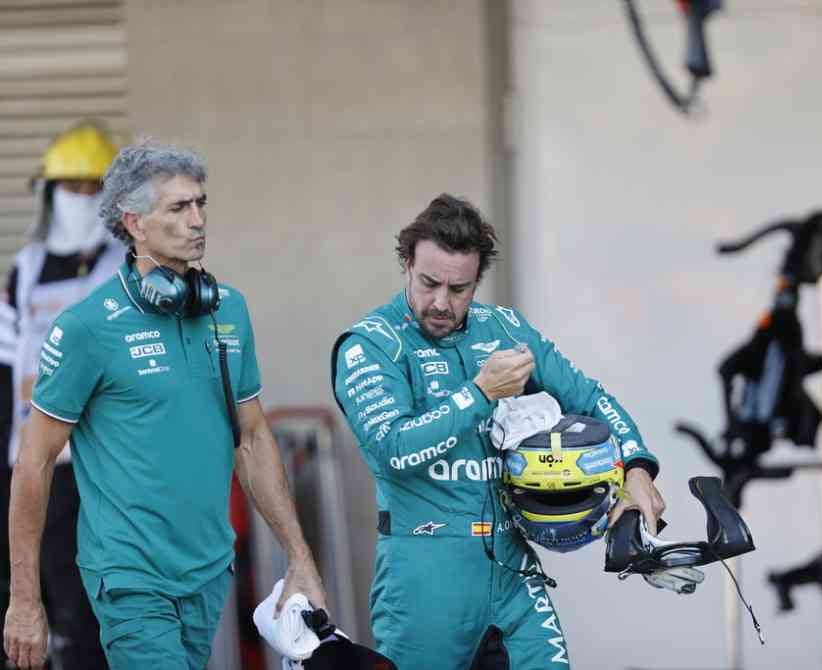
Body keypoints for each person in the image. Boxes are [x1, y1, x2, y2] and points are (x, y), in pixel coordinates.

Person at [3, 142, 327, 670]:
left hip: (206, 570)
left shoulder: (229, 310)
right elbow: (33, 462)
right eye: (179, 208)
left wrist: (300, 559)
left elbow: (251, 438)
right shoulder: (88, 327)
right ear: (134, 222)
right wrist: (24, 599)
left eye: (200, 203)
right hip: (129, 576)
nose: (198, 220)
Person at [330, 193, 665, 669]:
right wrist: (480, 393)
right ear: (406, 264)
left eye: (460, 288)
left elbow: (589, 397)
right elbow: (390, 450)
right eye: (429, 283)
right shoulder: (371, 344)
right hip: (425, 573)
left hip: (511, 563)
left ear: (477, 280)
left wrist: (636, 466)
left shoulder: (504, 327)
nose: (442, 303)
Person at [0, 121, 125, 669]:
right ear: (48, 193)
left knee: (92, 608)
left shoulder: (127, 268)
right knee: (36, 604)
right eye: (69, 187)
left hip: (102, 466)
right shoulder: (24, 271)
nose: (80, 199)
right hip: (33, 465)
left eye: (92, 187)